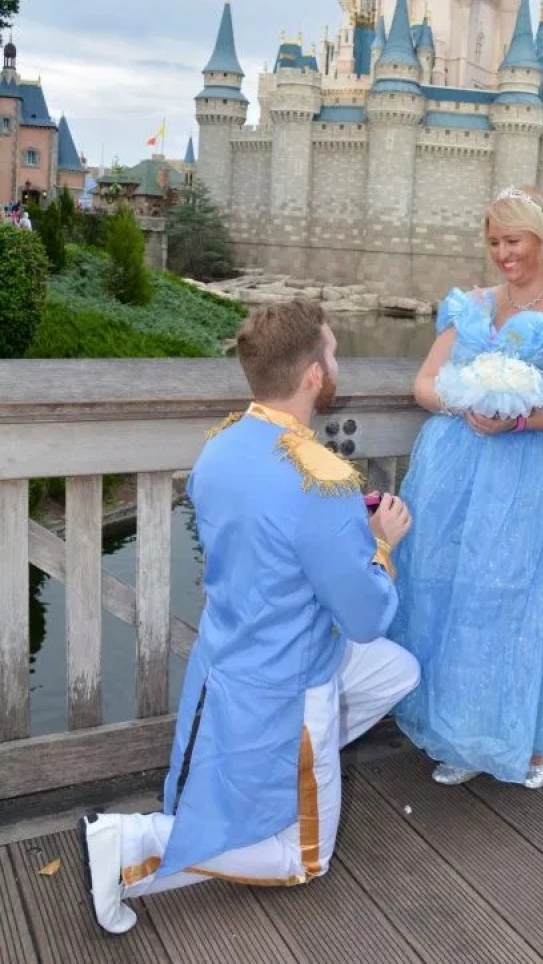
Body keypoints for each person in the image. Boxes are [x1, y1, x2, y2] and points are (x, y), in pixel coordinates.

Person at [79, 298, 418, 934]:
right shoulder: (324, 482)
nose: (337, 361)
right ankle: (130, 846)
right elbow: (365, 617)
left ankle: (281, 788)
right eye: (334, 352)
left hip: (229, 655)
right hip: (291, 680)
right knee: (307, 859)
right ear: (314, 374)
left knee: (397, 671)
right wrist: (377, 544)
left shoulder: (222, 446)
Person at [390, 185, 543, 790]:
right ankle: (464, 733)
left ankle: (533, 739)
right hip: (461, 476)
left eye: (514, 240)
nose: (503, 254)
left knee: (526, 599)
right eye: (494, 242)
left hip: (541, 479)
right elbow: (424, 382)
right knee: (459, 598)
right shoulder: (473, 304)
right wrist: (467, 398)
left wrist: (522, 417)